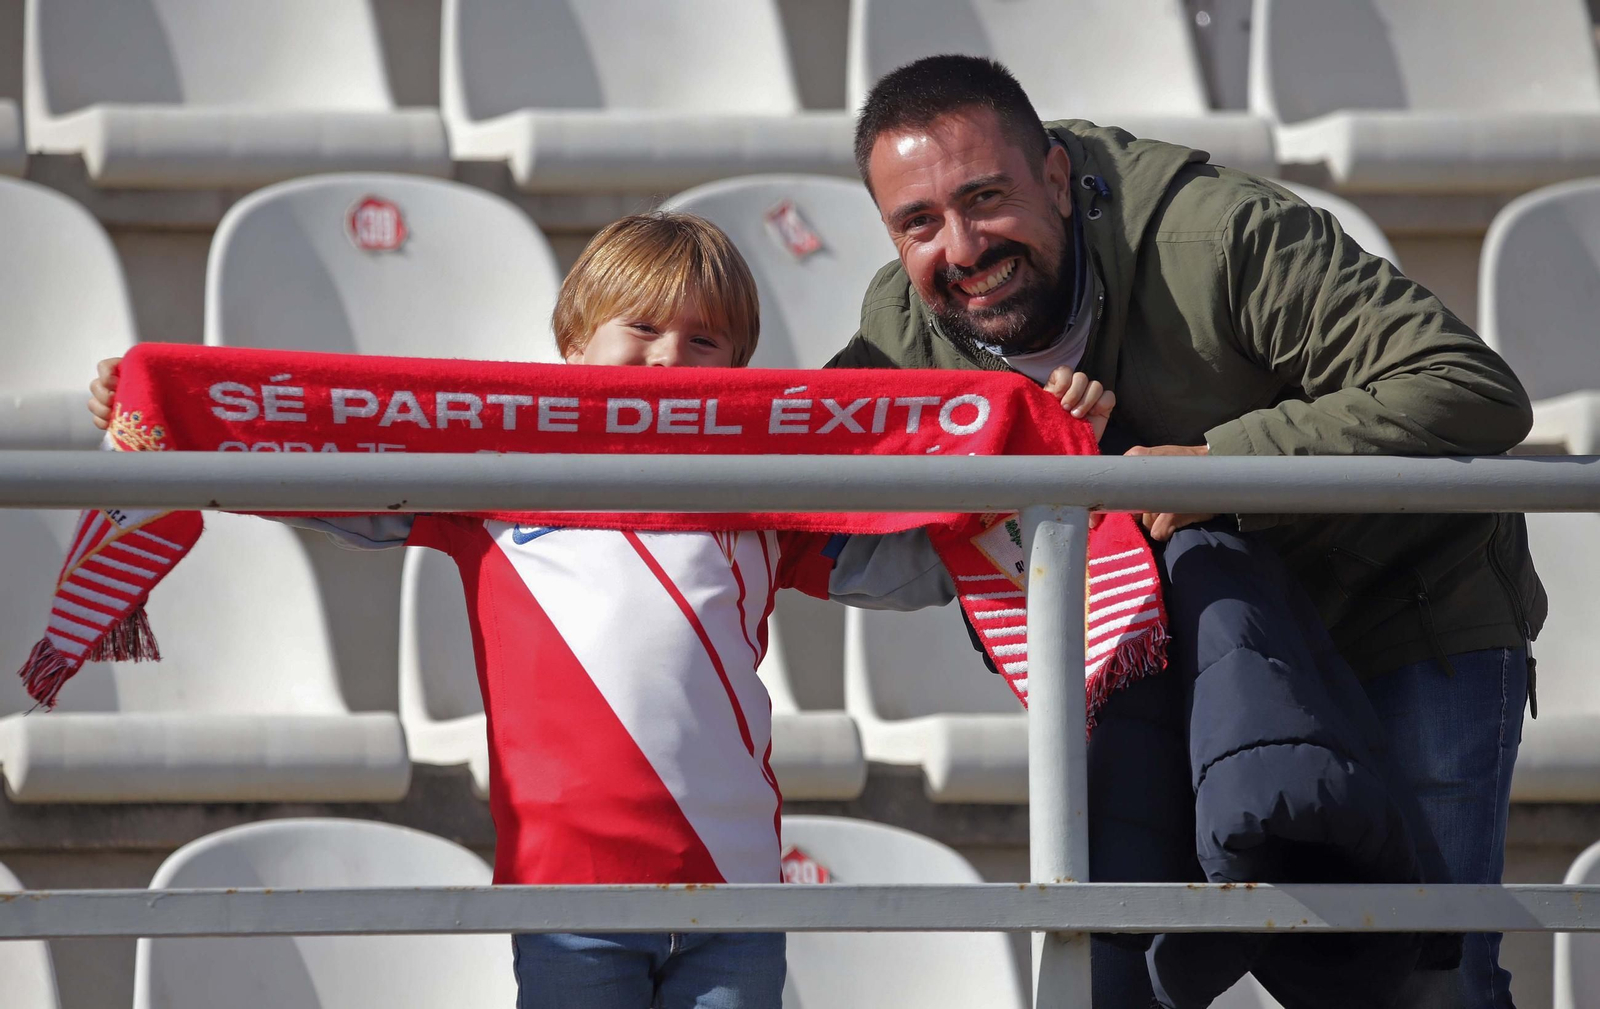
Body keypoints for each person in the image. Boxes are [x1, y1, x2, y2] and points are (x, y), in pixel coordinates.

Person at [89, 211, 1115, 1009]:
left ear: (741, 371)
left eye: (706, 341)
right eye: (642, 330)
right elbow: (320, 456)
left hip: (739, 892)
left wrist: (1043, 467)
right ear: (573, 342)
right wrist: (162, 411)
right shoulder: (485, 469)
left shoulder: (769, 488)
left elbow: (910, 557)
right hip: (567, 897)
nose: (671, 361)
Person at [832, 55, 1543, 1008]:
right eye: (917, 222)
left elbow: (1470, 387)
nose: (959, 247)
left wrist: (1216, 467)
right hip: (1176, 660)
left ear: (1053, 175)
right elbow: (817, 493)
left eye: (986, 197)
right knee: (1121, 985)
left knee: (1426, 988)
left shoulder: (1218, 233)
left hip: (1402, 617)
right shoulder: (903, 324)